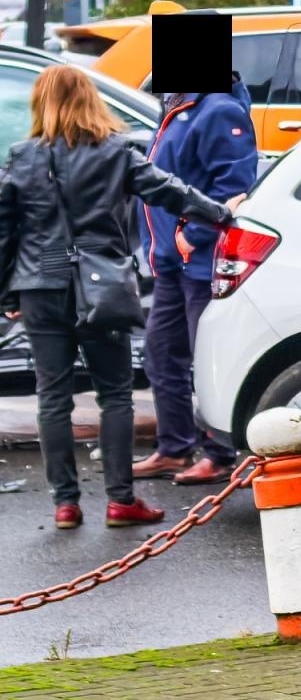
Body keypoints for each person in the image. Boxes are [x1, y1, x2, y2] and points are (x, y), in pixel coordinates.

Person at [0, 65, 237, 529]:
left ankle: (65, 504)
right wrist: (221, 213)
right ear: (91, 99)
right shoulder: (115, 152)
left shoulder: (21, 157)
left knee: (52, 396)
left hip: (40, 286)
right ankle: (120, 500)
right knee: (114, 394)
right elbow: (169, 191)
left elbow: (5, 232)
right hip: (101, 287)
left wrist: (7, 292)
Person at [134, 73, 257, 486]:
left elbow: (235, 190)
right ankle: (174, 449)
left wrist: (192, 236)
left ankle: (219, 455)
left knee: (206, 361)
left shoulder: (218, 109)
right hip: (173, 264)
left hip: (200, 263)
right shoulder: (179, 105)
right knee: (161, 356)